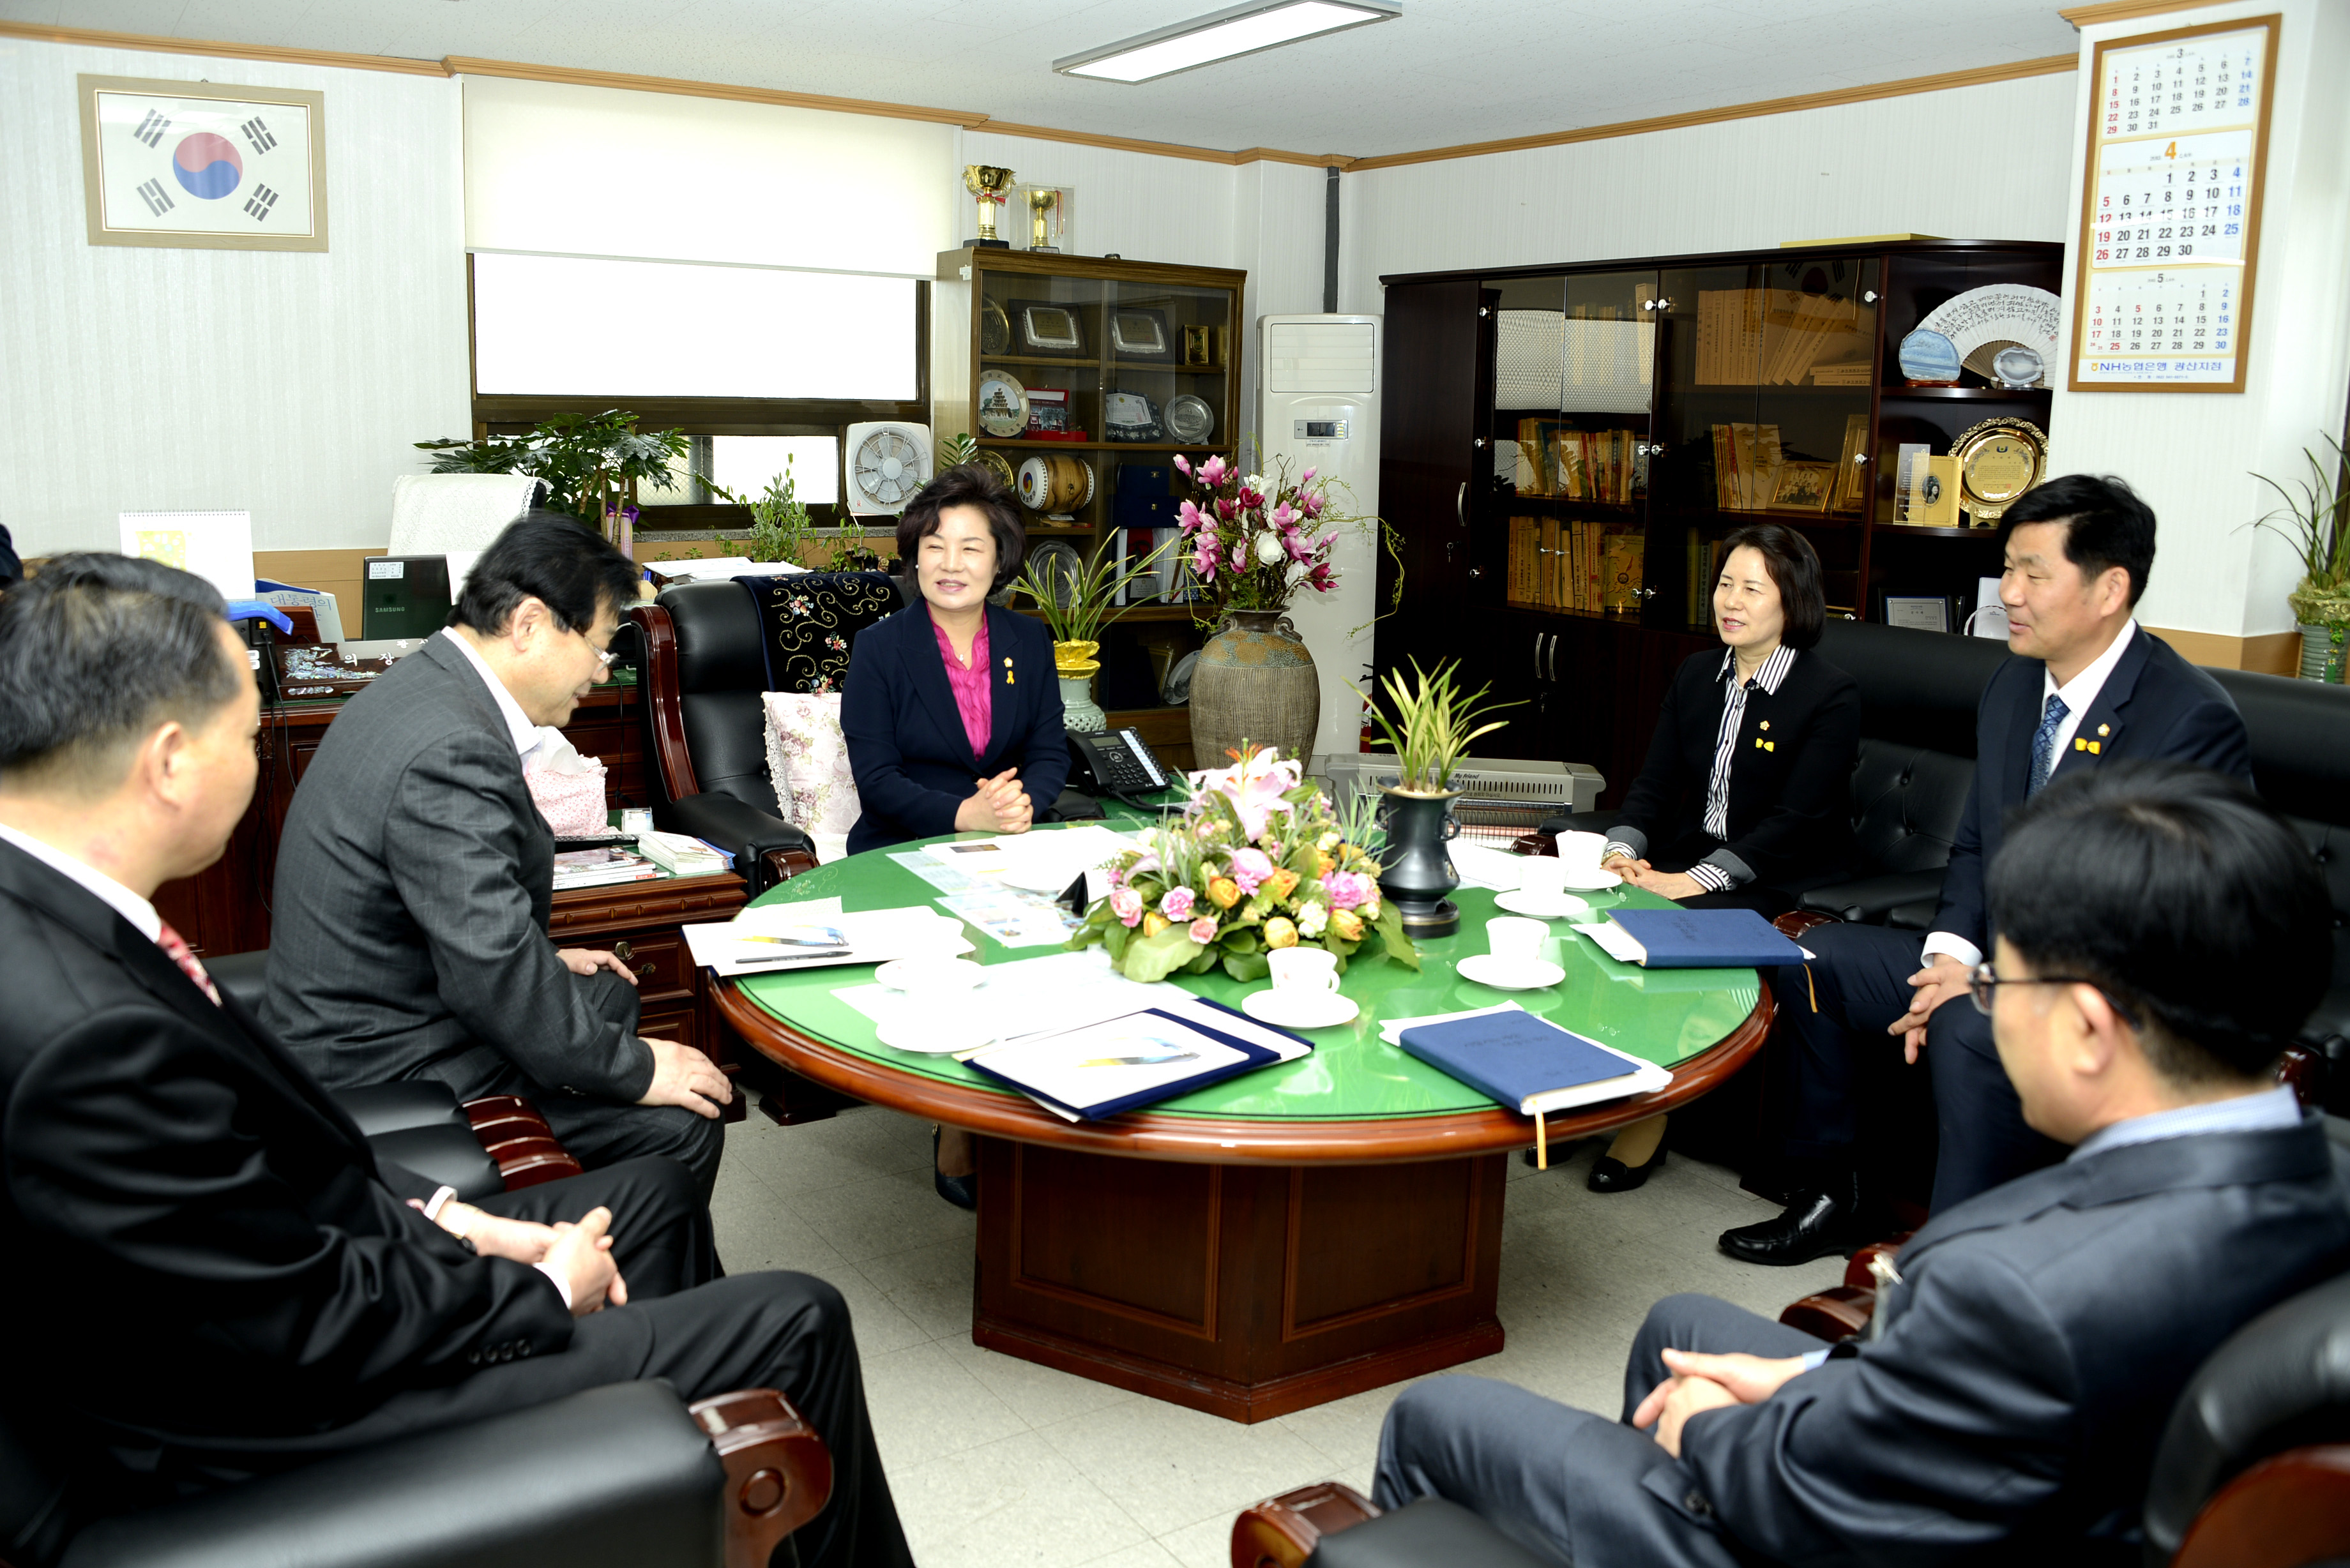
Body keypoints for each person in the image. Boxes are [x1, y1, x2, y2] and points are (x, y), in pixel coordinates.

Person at [0, 554, 911, 1568]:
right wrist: (534, 1295)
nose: (260, 752)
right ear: (169, 761)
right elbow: (298, 1320)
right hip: (268, 1428)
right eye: (246, 727)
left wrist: (454, 1218)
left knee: (648, 1194)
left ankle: (672, 1485)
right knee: (797, 1315)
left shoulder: (57, 916)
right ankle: (648, 1433)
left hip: (304, 1284)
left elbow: (252, 1191)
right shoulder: (86, 1039)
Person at [1369, 760, 2350, 1567]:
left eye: (2001, 978)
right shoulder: (2320, 1180)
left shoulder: (2017, 1294)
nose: (1988, 1005)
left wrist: (1715, 1429)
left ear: (2091, 1030)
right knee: (1680, 1325)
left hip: (1857, 1527)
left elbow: (1822, 1497)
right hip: (2013, 1475)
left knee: (1440, 1414)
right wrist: (1827, 1386)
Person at [1720, 474, 2251, 1263]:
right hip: (1993, 961)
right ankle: (1835, 1191)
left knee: (1971, 1022)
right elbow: (1973, 845)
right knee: (1812, 956)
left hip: (2113, 989)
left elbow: (2155, 915)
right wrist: (1948, 956)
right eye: (2006, 568)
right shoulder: (2010, 684)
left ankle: (1957, 1263)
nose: (2008, 593)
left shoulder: (2185, 717)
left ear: (2110, 587)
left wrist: (1993, 986)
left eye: (2034, 573)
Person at [264, 515, 732, 1207]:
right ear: (530, 624)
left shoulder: (428, 685)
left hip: (382, 993)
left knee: (610, 987)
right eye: (601, 647)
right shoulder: (453, 746)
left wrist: (539, 952)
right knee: (681, 1121)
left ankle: (575, 1206)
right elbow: (490, 969)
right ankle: (615, 1290)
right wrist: (637, 1070)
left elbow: (449, 901)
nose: (603, 672)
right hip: (383, 1058)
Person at [1569, 524, 1860, 1193]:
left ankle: (1649, 1116)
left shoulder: (1828, 693)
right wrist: (1621, 852)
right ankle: (1595, 1089)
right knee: (1592, 907)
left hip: (1787, 875)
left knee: (1664, 927)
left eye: (1751, 588)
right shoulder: (1698, 672)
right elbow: (1651, 782)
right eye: (1724, 583)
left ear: (1792, 601)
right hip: (1693, 852)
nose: (1730, 600)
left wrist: (1685, 882)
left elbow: (1794, 822)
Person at [840, 464, 1067, 1209]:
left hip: (1007, 838)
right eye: (935, 545)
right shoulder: (879, 649)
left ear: (999, 560)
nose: (950, 563)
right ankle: (959, 1123)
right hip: (902, 843)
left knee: (1062, 943)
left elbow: (1046, 748)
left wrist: (1021, 804)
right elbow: (874, 777)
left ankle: (1044, 1103)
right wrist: (960, 815)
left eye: (971, 548)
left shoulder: (1029, 642)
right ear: (913, 554)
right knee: (959, 957)